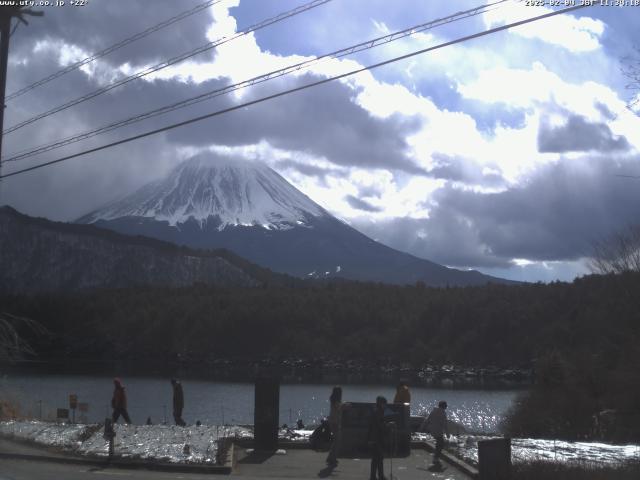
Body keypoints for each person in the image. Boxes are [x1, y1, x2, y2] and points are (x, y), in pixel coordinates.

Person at [421, 400, 449, 467]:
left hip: (432, 430)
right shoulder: (443, 413)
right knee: (441, 444)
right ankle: (436, 458)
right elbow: (445, 424)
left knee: (439, 444)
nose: (446, 407)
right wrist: (448, 433)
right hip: (438, 431)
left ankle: (436, 457)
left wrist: (422, 427)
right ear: (444, 406)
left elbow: (427, 420)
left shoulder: (434, 411)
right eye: (446, 405)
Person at [368, 396, 388, 480]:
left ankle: (374, 476)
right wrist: (389, 425)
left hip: (374, 438)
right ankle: (380, 476)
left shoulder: (376, 411)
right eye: (384, 404)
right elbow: (380, 425)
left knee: (376, 458)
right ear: (380, 404)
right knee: (379, 458)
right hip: (377, 438)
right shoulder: (378, 413)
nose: (385, 406)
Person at [326, 386, 342, 467]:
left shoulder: (333, 399)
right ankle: (332, 458)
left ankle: (331, 457)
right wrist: (346, 406)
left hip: (333, 422)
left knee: (336, 441)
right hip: (335, 422)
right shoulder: (335, 401)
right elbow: (339, 407)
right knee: (337, 441)